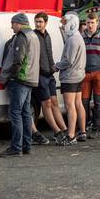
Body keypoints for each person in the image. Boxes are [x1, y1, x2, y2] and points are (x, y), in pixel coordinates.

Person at [0, 13, 39, 156]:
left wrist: (13, 77)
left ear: (19, 23)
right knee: (26, 113)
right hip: (31, 79)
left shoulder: (22, 37)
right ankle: (26, 145)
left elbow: (18, 60)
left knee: (15, 113)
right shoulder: (34, 35)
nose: (11, 26)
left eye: (13, 23)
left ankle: (16, 147)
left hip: (20, 80)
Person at [31, 13, 64, 146]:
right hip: (40, 75)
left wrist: (52, 68)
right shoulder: (34, 36)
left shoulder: (48, 35)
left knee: (54, 102)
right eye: (36, 21)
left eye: (40, 22)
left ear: (46, 23)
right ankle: (56, 132)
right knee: (46, 104)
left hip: (49, 75)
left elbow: (49, 54)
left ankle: (64, 130)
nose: (38, 24)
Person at [55, 13, 86, 144]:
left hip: (70, 77)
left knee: (70, 106)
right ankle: (82, 131)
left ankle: (71, 135)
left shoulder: (72, 39)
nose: (62, 25)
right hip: (79, 75)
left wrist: (55, 66)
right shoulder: (78, 36)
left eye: (64, 23)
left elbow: (68, 61)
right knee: (78, 104)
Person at [80, 17, 100, 138]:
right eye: (88, 23)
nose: (90, 25)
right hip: (85, 73)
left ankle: (97, 126)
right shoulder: (81, 37)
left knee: (98, 101)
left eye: (92, 23)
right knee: (84, 101)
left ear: (97, 23)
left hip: (98, 73)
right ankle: (85, 124)